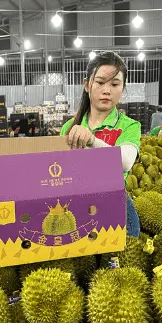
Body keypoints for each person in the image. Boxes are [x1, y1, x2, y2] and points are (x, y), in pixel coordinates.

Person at [61, 51, 141, 237]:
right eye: (100, 82)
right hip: (75, 209)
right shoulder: (69, 127)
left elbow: (125, 162)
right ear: (87, 85)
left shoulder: (128, 125)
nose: (107, 90)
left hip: (116, 209)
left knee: (117, 263)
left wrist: (92, 140)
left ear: (123, 88)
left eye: (114, 84)